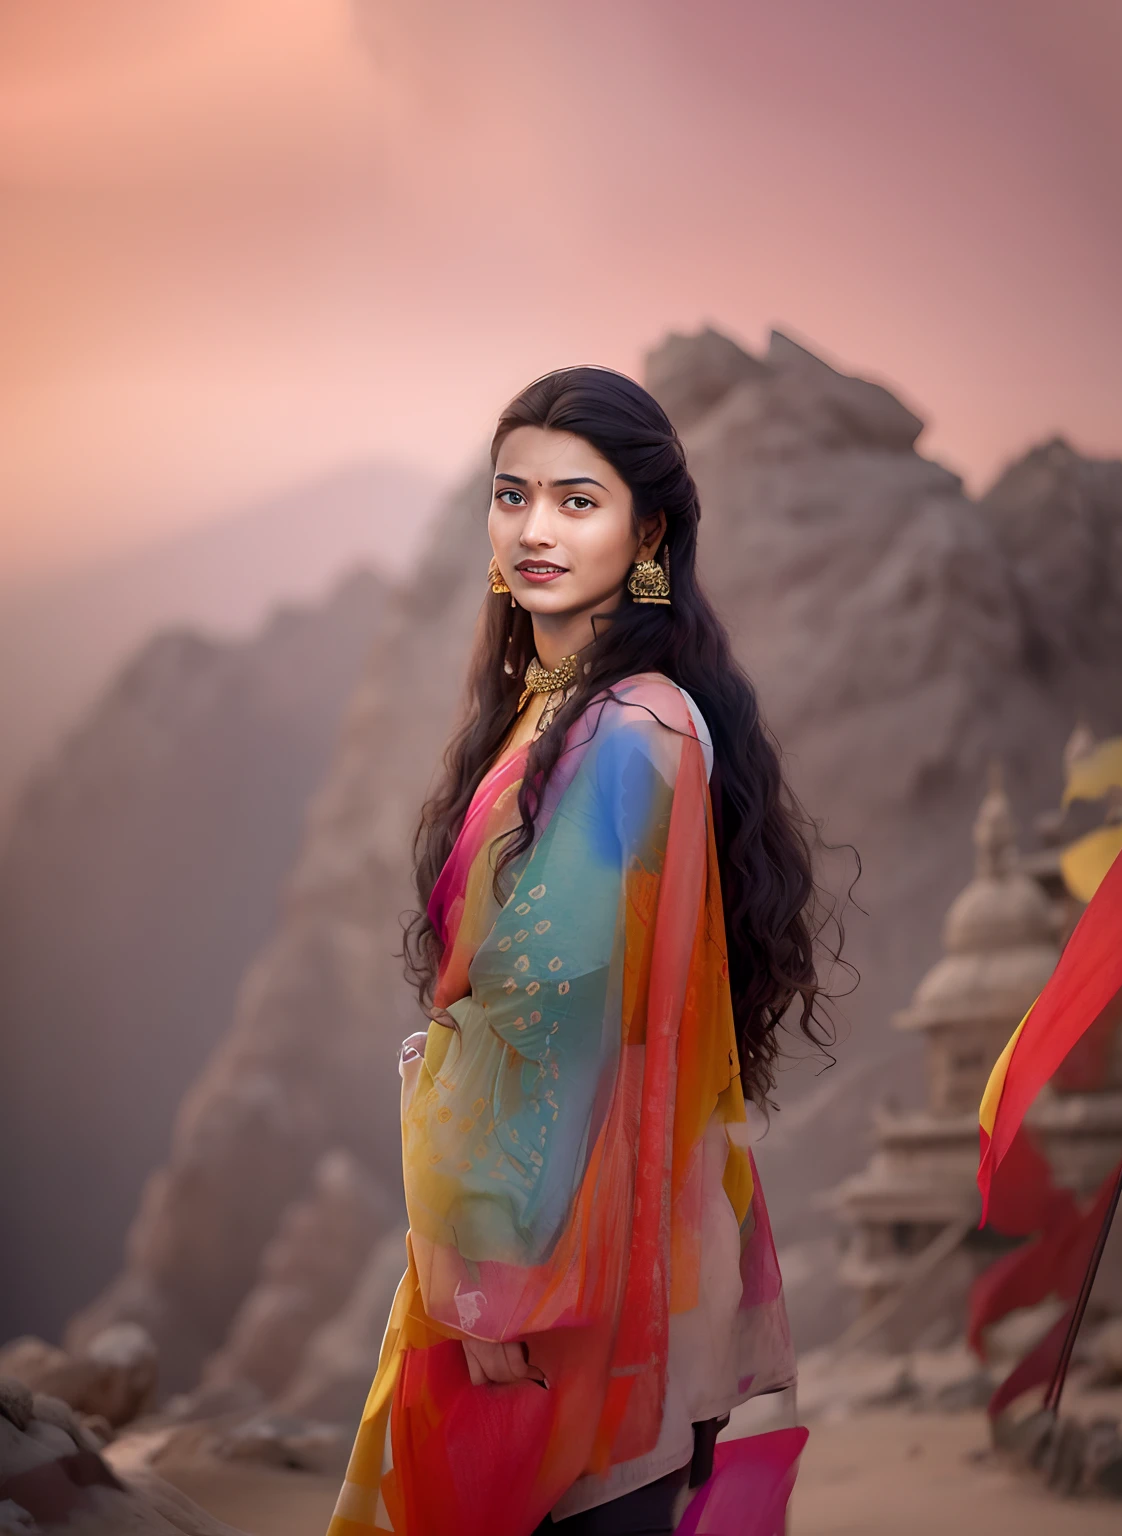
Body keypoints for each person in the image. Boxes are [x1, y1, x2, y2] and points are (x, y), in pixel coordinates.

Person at [328, 366, 841, 1536]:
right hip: (585, 1233)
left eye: (577, 500)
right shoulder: (559, 711)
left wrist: (496, 1289)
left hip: (569, 1271)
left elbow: (551, 1024)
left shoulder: (626, 733)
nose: (535, 530)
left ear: (647, 530)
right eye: (512, 498)